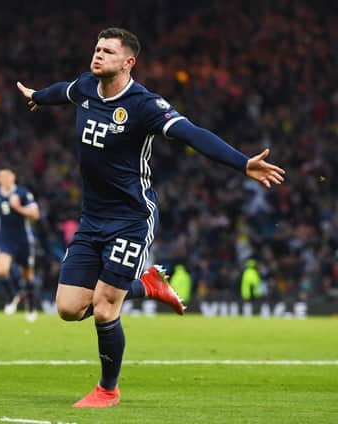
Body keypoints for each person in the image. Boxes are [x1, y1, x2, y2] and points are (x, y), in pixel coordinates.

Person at [16, 27, 285, 407]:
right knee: (68, 308)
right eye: (96, 48)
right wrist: (38, 98)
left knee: (106, 307)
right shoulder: (86, 88)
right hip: (92, 219)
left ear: (128, 62)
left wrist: (242, 164)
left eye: (108, 51)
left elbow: (192, 134)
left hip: (131, 218)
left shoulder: (144, 105)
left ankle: (107, 390)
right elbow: (63, 91)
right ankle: (148, 285)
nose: (98, 55)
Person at [0, 168, 40, 321]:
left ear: (14, 177)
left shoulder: (23, 193)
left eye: (9, 176)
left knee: (28, 275)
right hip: (4, 238)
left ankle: (31, 306)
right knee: (1, 270)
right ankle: (13, 296)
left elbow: (36, 215)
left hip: (23, 239)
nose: (6, 179)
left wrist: (18, 208)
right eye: (3, 176)